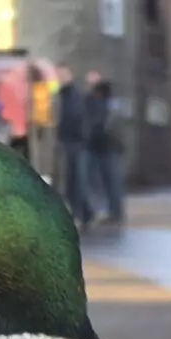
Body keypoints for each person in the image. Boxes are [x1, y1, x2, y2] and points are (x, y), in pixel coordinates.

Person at [55, 68, 93, 227]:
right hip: (68, 142)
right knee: (71, 180)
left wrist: (80, 137)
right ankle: (84, 214)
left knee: (77, 180)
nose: (60, 78)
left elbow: (78, 117)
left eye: (63, 75)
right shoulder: (62, 95)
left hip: (77, 143)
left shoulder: (74, 95)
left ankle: (82, 213)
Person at [85, 78, 125, 226]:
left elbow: (103, 128)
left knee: (110, 182)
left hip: (107, 149)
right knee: (111, 182)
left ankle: (115, 213)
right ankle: (115, 212)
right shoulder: (114, 106)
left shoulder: (106, 108)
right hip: (110, 149)